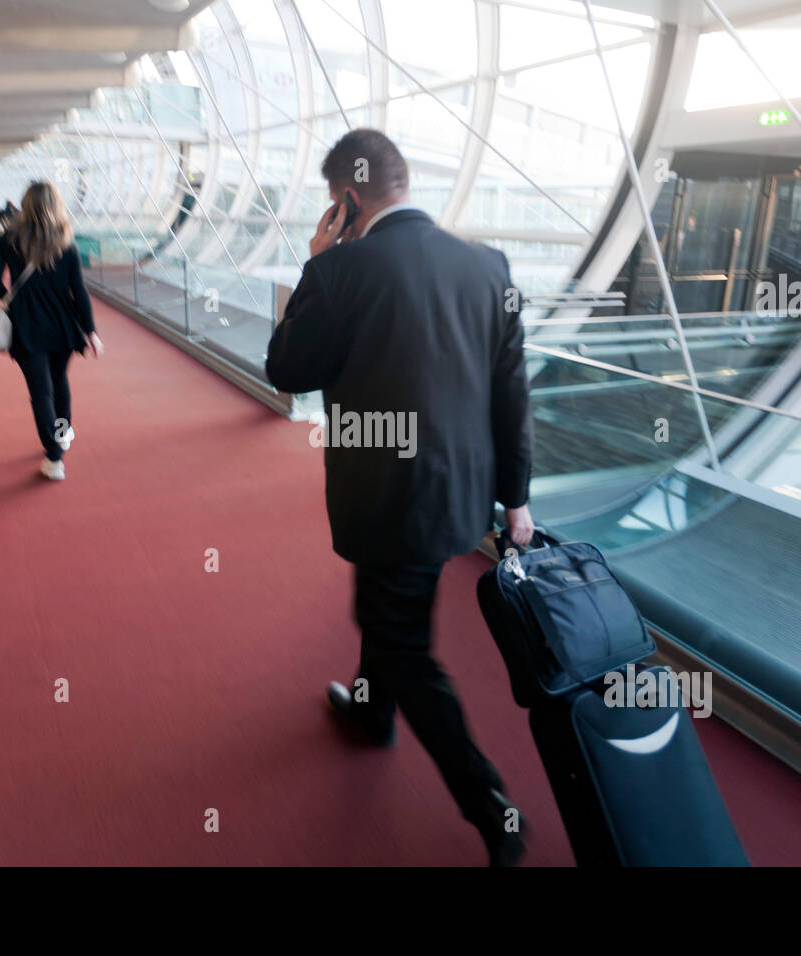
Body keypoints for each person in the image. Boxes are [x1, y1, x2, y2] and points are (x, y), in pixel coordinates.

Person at [264, 129, 536, 866]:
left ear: (348, 200)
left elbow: (287, 370)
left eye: (333, 206)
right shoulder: (487, 265)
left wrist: (316, 268)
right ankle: (371, 708)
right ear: (401, 183)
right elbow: (512, 390)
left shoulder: (343, 268)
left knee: (401, 641)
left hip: (387, 494)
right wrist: (516, 499)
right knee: (389, 604)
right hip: (462, 489)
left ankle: (493, 809)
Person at [0, 181, 104, 481]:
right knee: (60, 382)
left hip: (26, 326)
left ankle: (54, 457)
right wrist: (90, 331)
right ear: (56, 205)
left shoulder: (9, 240)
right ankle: (60, 439)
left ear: (25, 205)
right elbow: (80, 292)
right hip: (63, 325)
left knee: (41, 393)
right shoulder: (66, 242)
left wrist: (11, 299)